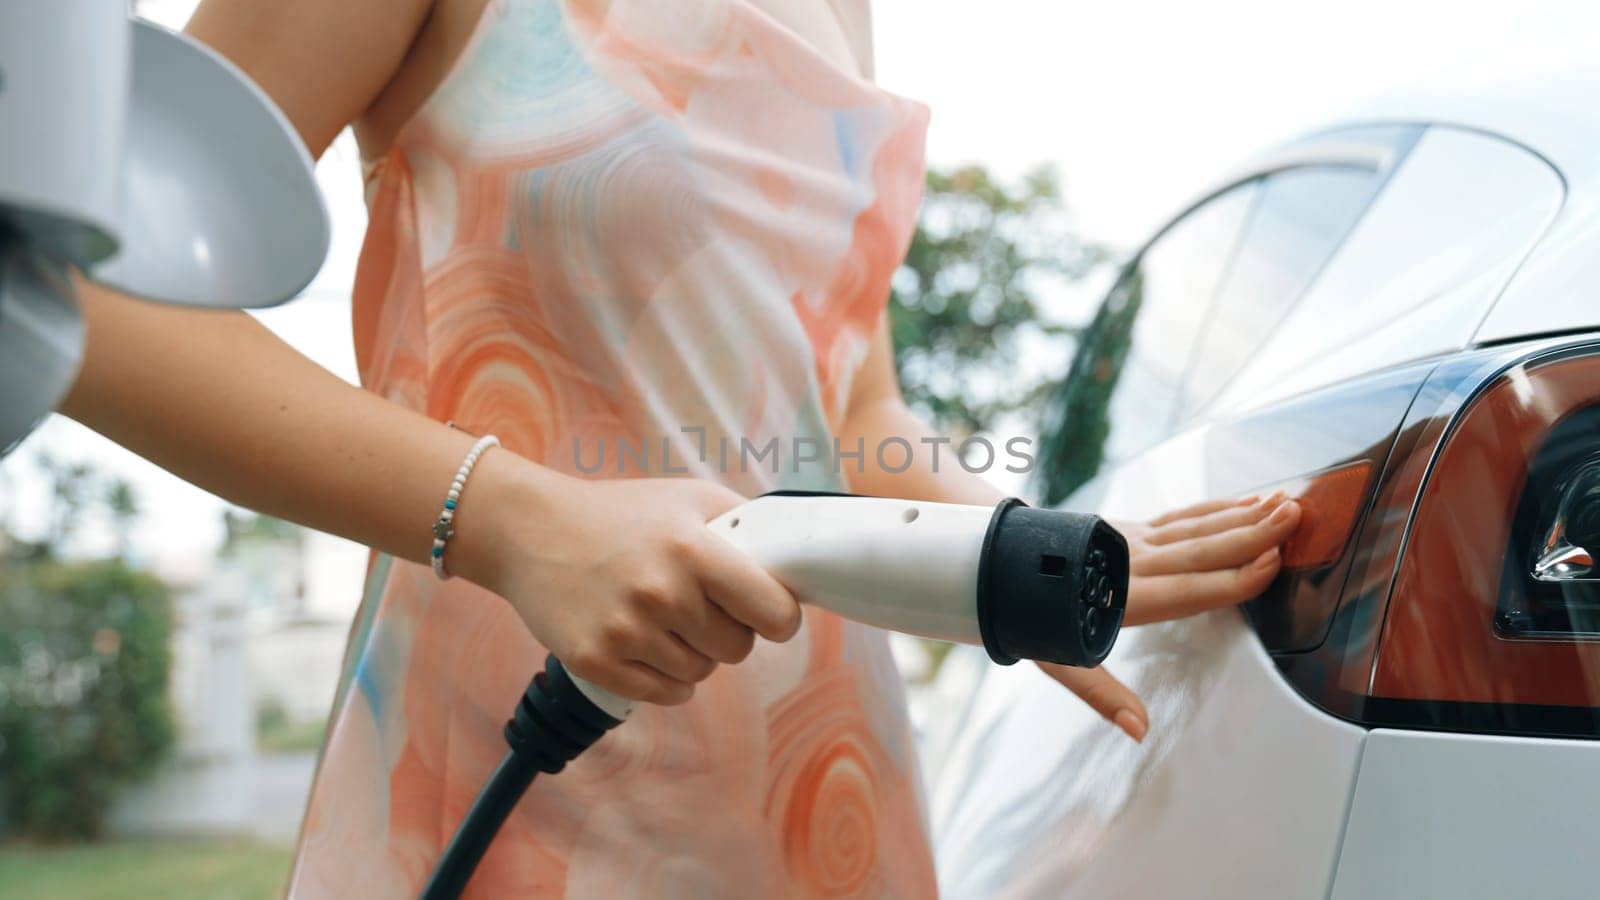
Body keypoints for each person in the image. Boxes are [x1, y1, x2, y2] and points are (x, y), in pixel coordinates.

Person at [60, 0, 1302, 895]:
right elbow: (79, 288)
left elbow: (851, 412)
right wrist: (512, 520)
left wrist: (1023, 564)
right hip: (514, 756)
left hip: (818, 780)